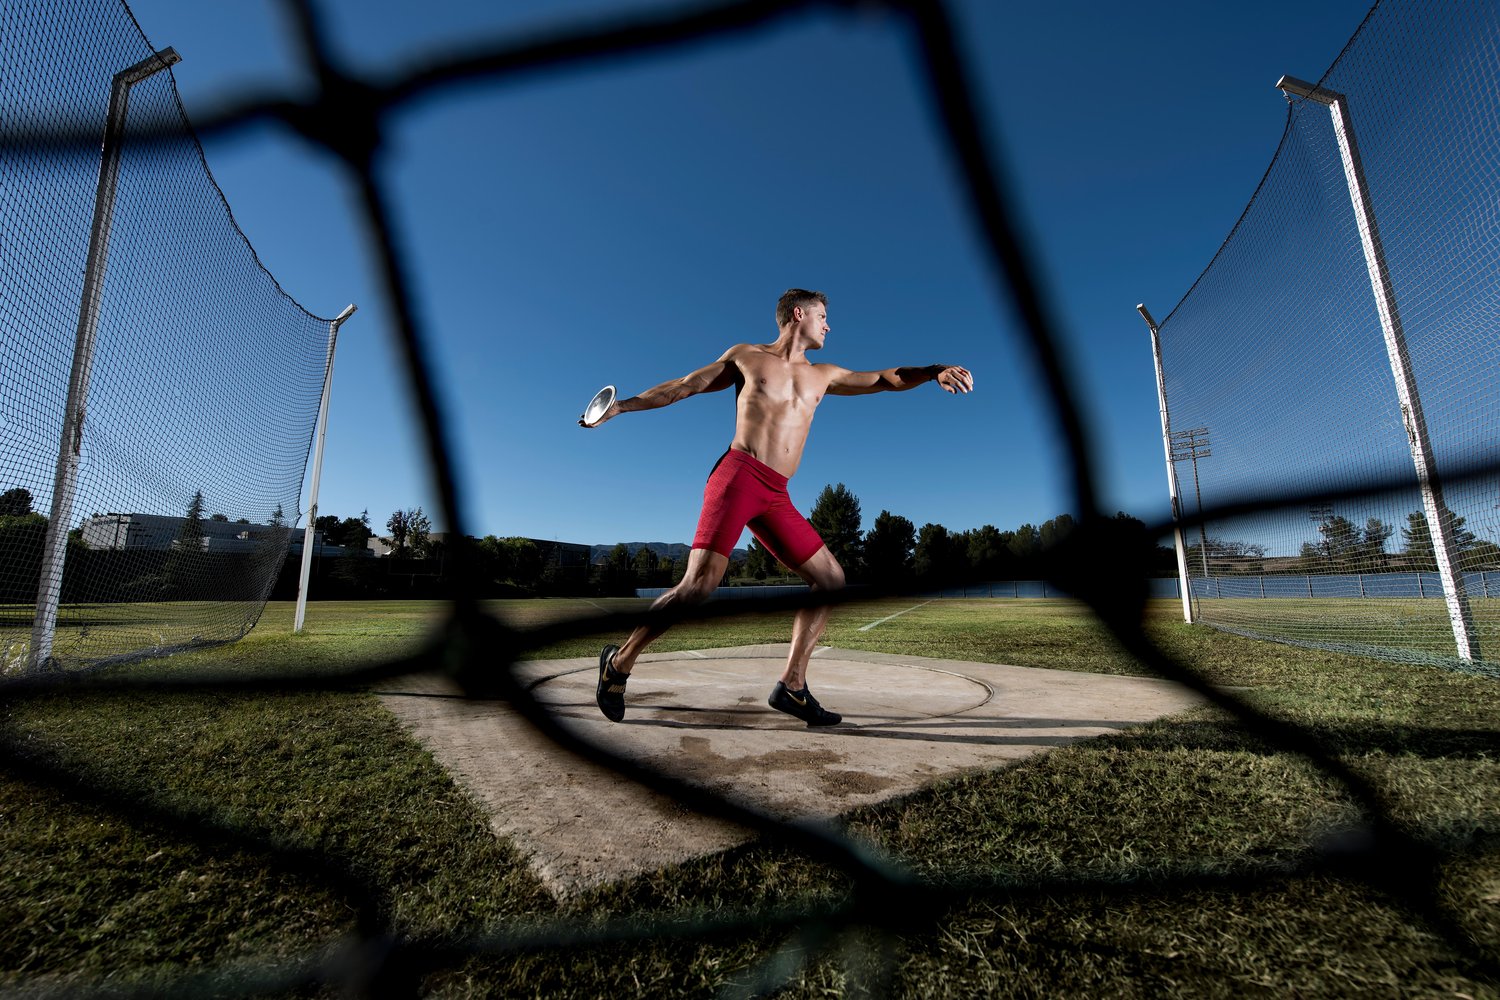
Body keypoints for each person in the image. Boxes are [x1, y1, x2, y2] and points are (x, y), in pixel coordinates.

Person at [580, 288, 973, 726]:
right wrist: (624, 407)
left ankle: (792, 685)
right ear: (798, 314)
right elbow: (684, 386)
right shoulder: (746, 356)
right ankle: (618, 664)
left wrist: (935, 370)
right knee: (698, 586)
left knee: (830, 580)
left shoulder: (824, 374)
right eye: (823, 316)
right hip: (738, 476)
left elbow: (886, 378)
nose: (828, 325)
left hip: (776, 493)